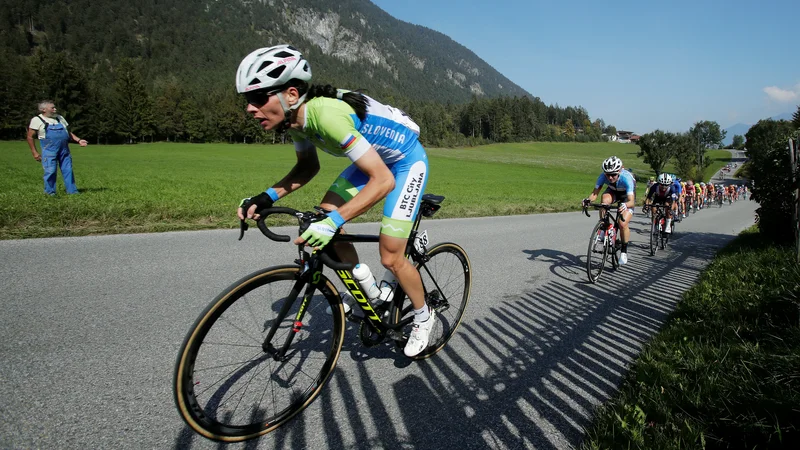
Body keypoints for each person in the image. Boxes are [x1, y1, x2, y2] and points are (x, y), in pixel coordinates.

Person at [234, 45, 434, 357]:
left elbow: (384, 180)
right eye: (247, 100)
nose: (250, 108)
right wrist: (266, 196)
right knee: (324, 214)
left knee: (391, 256)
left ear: (290, 94)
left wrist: (335, 221)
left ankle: (424, 316)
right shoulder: (295, 121)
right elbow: (306, 167)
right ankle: (368, 292)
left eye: (258, 98)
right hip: (372, 161)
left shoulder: (326, 116)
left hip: (405, 163)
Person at [26, 100, 87, 195]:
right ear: (43, 109)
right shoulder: (37, 120)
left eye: (55, 107)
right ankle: (50, 193)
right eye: (52, 108)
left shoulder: (59, 118)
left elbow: (68, 132)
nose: (55, 109)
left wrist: (79, 140)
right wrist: (34, 152)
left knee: (68, 170)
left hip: (64, 150)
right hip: (49, 150)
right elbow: (30, 137)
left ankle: (72, 192)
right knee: (50, 171)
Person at [582, 156, 635, 265]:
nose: (610, 178)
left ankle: (624, 252)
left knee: (622, 223)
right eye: (608, 175)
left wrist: (625, 205)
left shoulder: (626, 178)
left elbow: (631, 201)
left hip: (626, 196)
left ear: (620, 171)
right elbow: (594, 194)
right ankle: (604, 227)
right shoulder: (603, 176)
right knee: (604, 201)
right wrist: (588, 200)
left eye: (613, 175)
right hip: (613, 191)